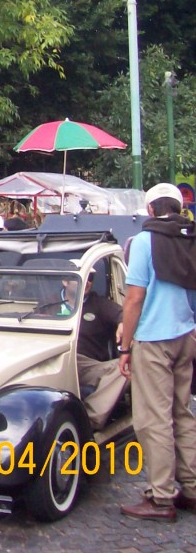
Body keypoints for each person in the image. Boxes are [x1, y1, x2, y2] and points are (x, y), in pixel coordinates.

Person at [118, 182, 196, 521]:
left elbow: (134, 298)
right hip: (185, 334)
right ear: (179, 208)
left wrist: (125, 346)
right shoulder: (190, 237)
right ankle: (192, 489)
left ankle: (161, 497)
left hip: (153, 340)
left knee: (154, 420)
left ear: (149, 210)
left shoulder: (145, 241)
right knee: (183, 413)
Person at [59, 271, 127, 431]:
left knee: (130, 365)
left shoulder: (99, 304)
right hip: (58, 359)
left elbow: (124, 313)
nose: (88, 281)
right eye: (83, 277)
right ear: (65, 281)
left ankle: (88, 419)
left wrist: (123, 323)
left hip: (90, 366)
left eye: (91, 278)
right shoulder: (50, 304)